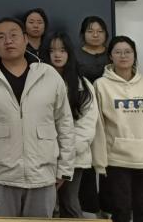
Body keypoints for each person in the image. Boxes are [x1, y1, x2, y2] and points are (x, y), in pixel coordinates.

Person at [0, 17, 74, 218]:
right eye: (1, 37)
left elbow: (65, 124)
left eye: (13, 35)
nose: (8, 41)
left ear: (25, 39)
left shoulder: (48, 75)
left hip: (43, 175)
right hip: (0, 176)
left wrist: (65, 168)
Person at [92, 36, 143, 222]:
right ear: (110, 56)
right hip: (116, 160)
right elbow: (98, 126)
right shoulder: (101, 85)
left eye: (128, 52)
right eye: (118, 52)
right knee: (120, 211)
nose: (123, 56)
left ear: (134, 55)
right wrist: (100, 162)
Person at [42, 32, 98, 218]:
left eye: (62, 50)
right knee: (48, 204)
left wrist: (67, 151)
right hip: (44, 154)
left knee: (69, 201)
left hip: (74, 156)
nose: (57, 55)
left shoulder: (83, 85)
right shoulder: (39, 81)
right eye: (52, 51)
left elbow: (87, 125)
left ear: (70, 53)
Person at [75, 15, 110, 214]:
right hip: (85, 112)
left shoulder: (113, 53)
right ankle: (88, 207)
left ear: (105, 34)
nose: (95, 35)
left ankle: (108, 206)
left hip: (109, 113)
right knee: (86, 159)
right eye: (90, 31)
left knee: (108, 160)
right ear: (82, 34)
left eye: (100, 31)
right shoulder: (75, 55)